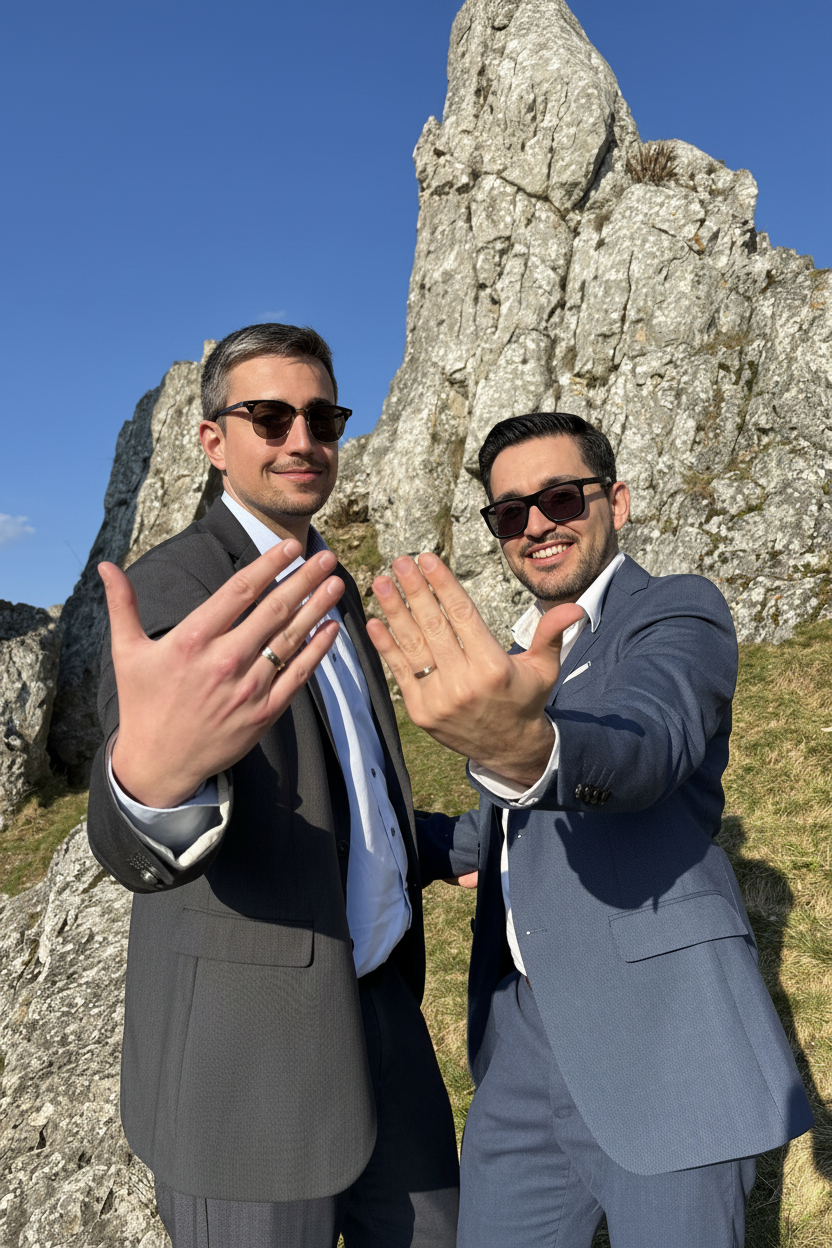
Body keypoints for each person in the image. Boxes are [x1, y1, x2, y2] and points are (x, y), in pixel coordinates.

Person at [366, 412, 813, 1248]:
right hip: (520, 1050)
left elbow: (646, 744)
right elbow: (502, 835)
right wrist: (355, 833)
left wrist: (527, 747)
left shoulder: (675, 612)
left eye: (561, 498)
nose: (536, 524)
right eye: (510, 512)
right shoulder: (525, 657)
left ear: (618, 501)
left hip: (665, 1041)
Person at [86, 323, 459, 1248]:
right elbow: (135, 820)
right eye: (270, 416)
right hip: (246, 1065)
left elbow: (349, 795)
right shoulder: (174, 587)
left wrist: (481, 832)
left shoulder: (331, 584)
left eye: (323, 418)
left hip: (383, 1008)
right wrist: (149, 787)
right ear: (214, 439)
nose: (303, 439)